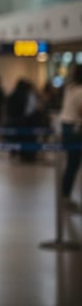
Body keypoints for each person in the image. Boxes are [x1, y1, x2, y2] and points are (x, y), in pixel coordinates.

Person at [59, 65, 82, 210]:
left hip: (66, 126)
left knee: (71, 164)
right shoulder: (80, 91)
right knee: (73, 164)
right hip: (75, 128)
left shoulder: (70, 88)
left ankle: (65, 194)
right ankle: (65, 196)